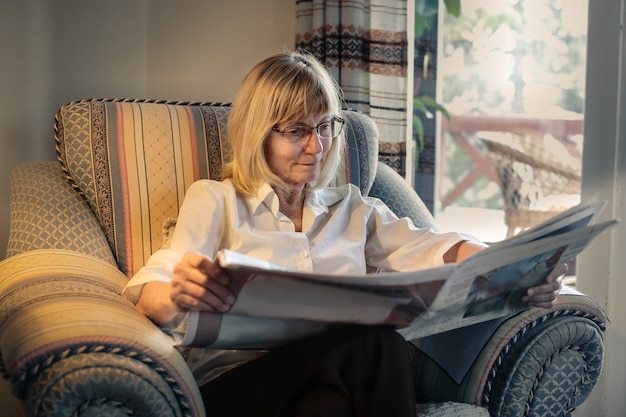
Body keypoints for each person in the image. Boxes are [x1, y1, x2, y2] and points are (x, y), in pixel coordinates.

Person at [123, 51, 564, 417]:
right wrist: (181, 292)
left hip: (331, 380)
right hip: (237, 388)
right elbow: (149, 292)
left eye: (326, 126)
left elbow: (431, 246)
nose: (317, 147)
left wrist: (512, 270)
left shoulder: (352, 208)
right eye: (296, 130)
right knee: (374, 339)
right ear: (259, 134)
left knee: (330, 408)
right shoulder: (216, 199)